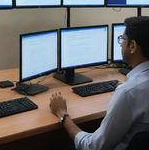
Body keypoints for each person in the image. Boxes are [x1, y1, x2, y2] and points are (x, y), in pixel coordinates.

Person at [49, 16, 149, 150]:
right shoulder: (132, 89)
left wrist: (62, 114)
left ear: (132, 46)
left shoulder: (128, 92)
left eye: (122, 39)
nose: (121, 43)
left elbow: (93, 147)